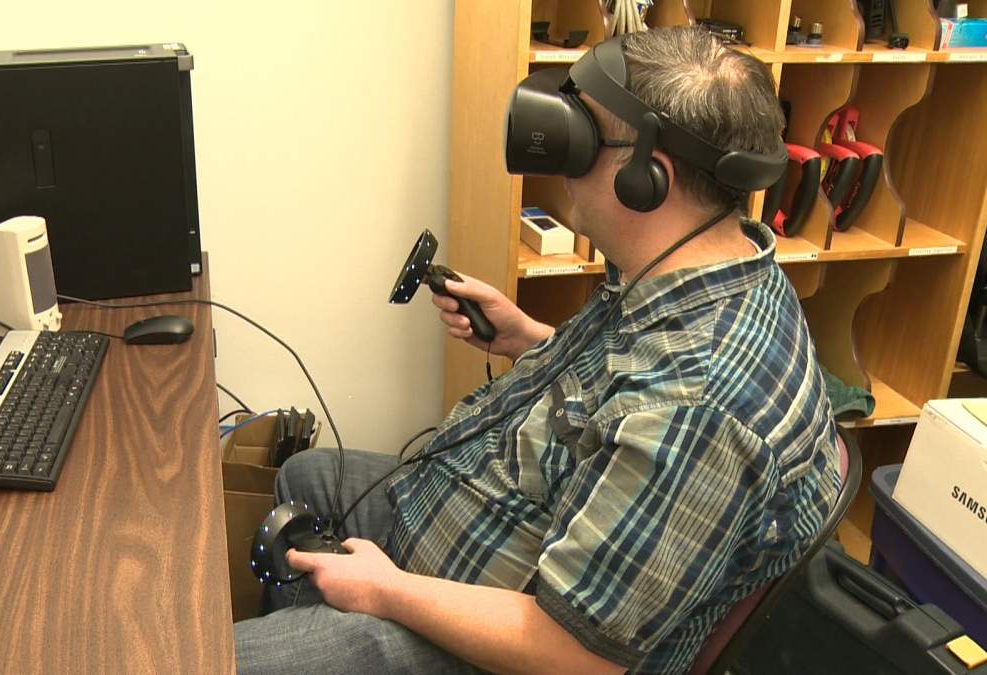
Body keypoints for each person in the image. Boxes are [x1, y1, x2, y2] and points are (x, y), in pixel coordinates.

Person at [235, 26, 839, 675]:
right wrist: (530, 337)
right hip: (478, 523)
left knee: (207, 656)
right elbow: (628, 405)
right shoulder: (699, 265)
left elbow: (575, 654)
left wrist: (386, 591)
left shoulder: (702, 404)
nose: (560, 156)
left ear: (647, 180)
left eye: (584, 138)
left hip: (514, 644)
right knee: (304, 479)